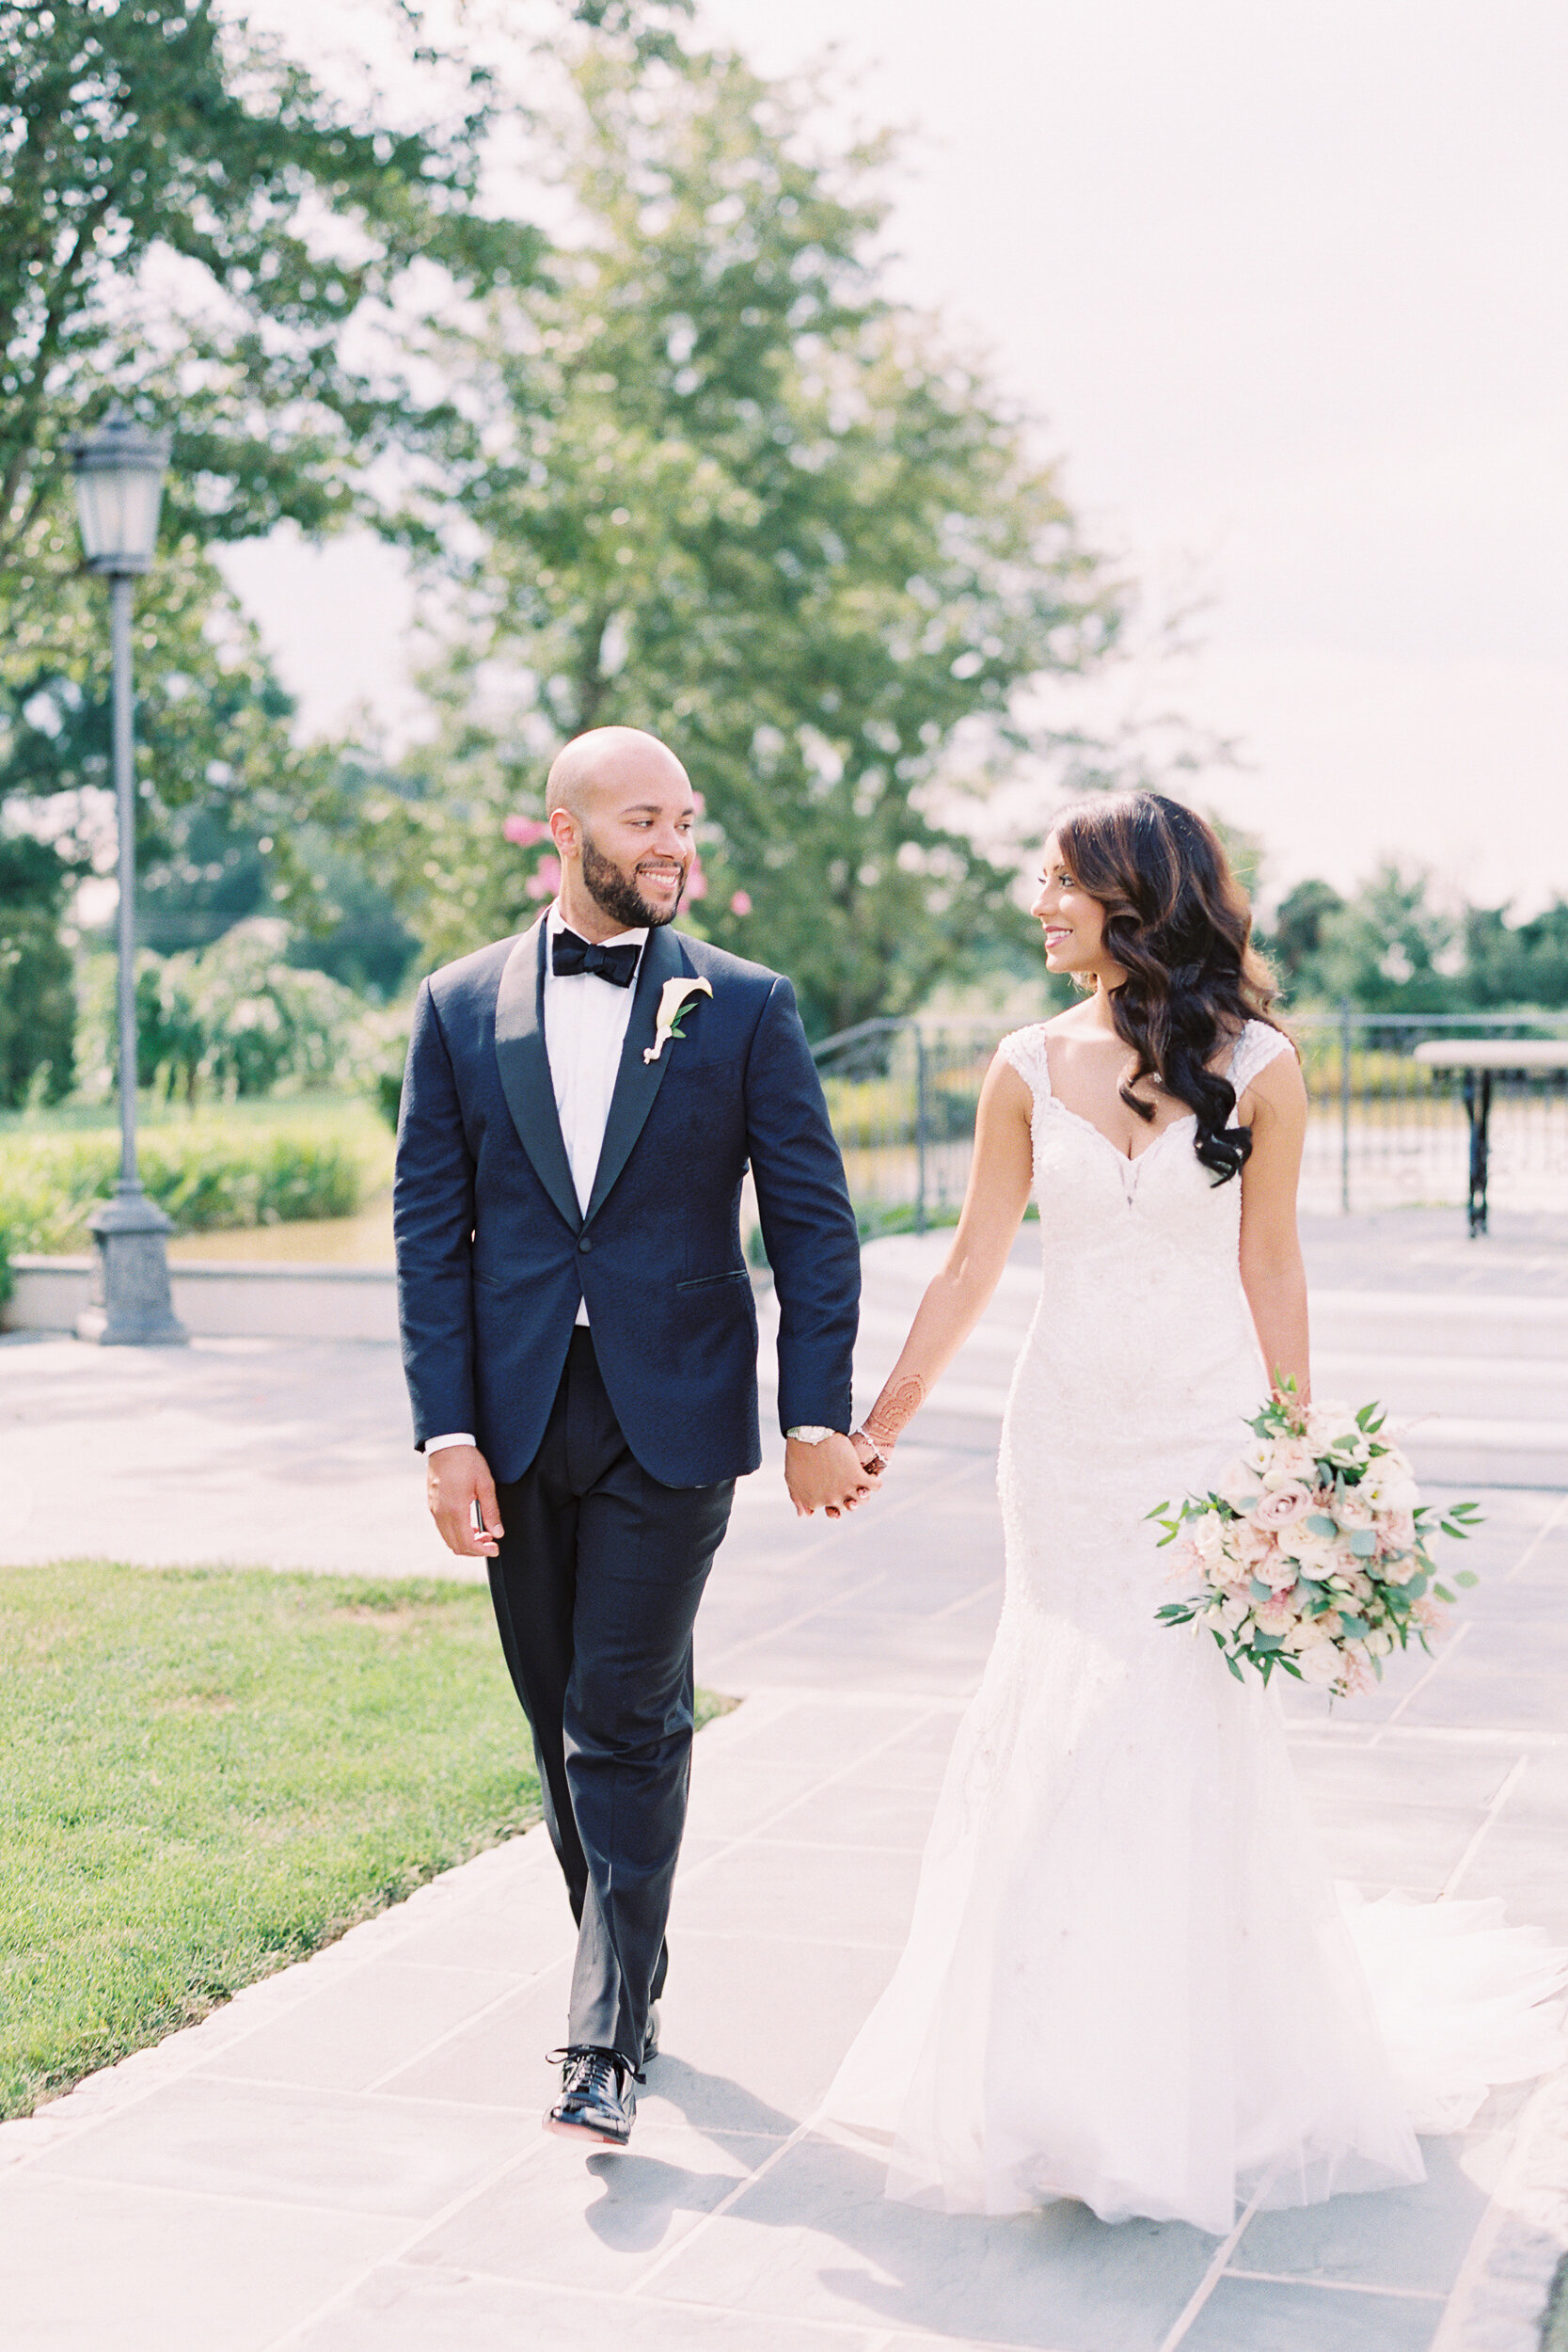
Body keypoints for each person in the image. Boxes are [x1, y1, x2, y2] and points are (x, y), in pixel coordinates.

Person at [827, 790, 1564, 2233]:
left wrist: (1298, 1458)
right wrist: (883, 1422)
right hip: (1065, 1446)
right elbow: (974, 1264)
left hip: (1202, 1445)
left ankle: (1185, 2072)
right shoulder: (1023, 1066)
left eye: (1060, 882)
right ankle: (1050, 2077)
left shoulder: (1265, 1066)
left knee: (1169, 1729)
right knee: (1055, 1716)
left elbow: (1273, 1264)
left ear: (1135, 897)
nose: (1038, 904)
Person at [394, 724, 876, 2151]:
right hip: (518, 1415)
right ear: (565, 830)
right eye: (646, 819)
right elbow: (431, 1239)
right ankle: (635, 1975)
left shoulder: (746, 1004)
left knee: (625, 1716)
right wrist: (445, 1432)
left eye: (688, 821)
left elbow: (814, 1227)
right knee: (558, 1727)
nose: (675, 843)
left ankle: (598, 2035)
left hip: (677, 1416)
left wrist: (812, 1411)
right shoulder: (456, 1005)